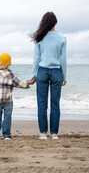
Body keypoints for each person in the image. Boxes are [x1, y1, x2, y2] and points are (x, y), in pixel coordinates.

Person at [29, 12, 67, 140]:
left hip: (42, 72)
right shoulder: (62, 38)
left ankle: (43, 133)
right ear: (56, 23)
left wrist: (33, 76)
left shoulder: (40, 37)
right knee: (55, 104)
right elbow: (63, 60)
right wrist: (65, 76)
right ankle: (54, 133)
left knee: (42, 104)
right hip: (57, 72)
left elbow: (36, 59)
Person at [0, 53, 30, 140]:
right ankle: (7, 135)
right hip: (8, 100)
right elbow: (19, 84)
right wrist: (28, 83)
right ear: (9, 63)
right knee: (7, 117)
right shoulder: (10, 74)